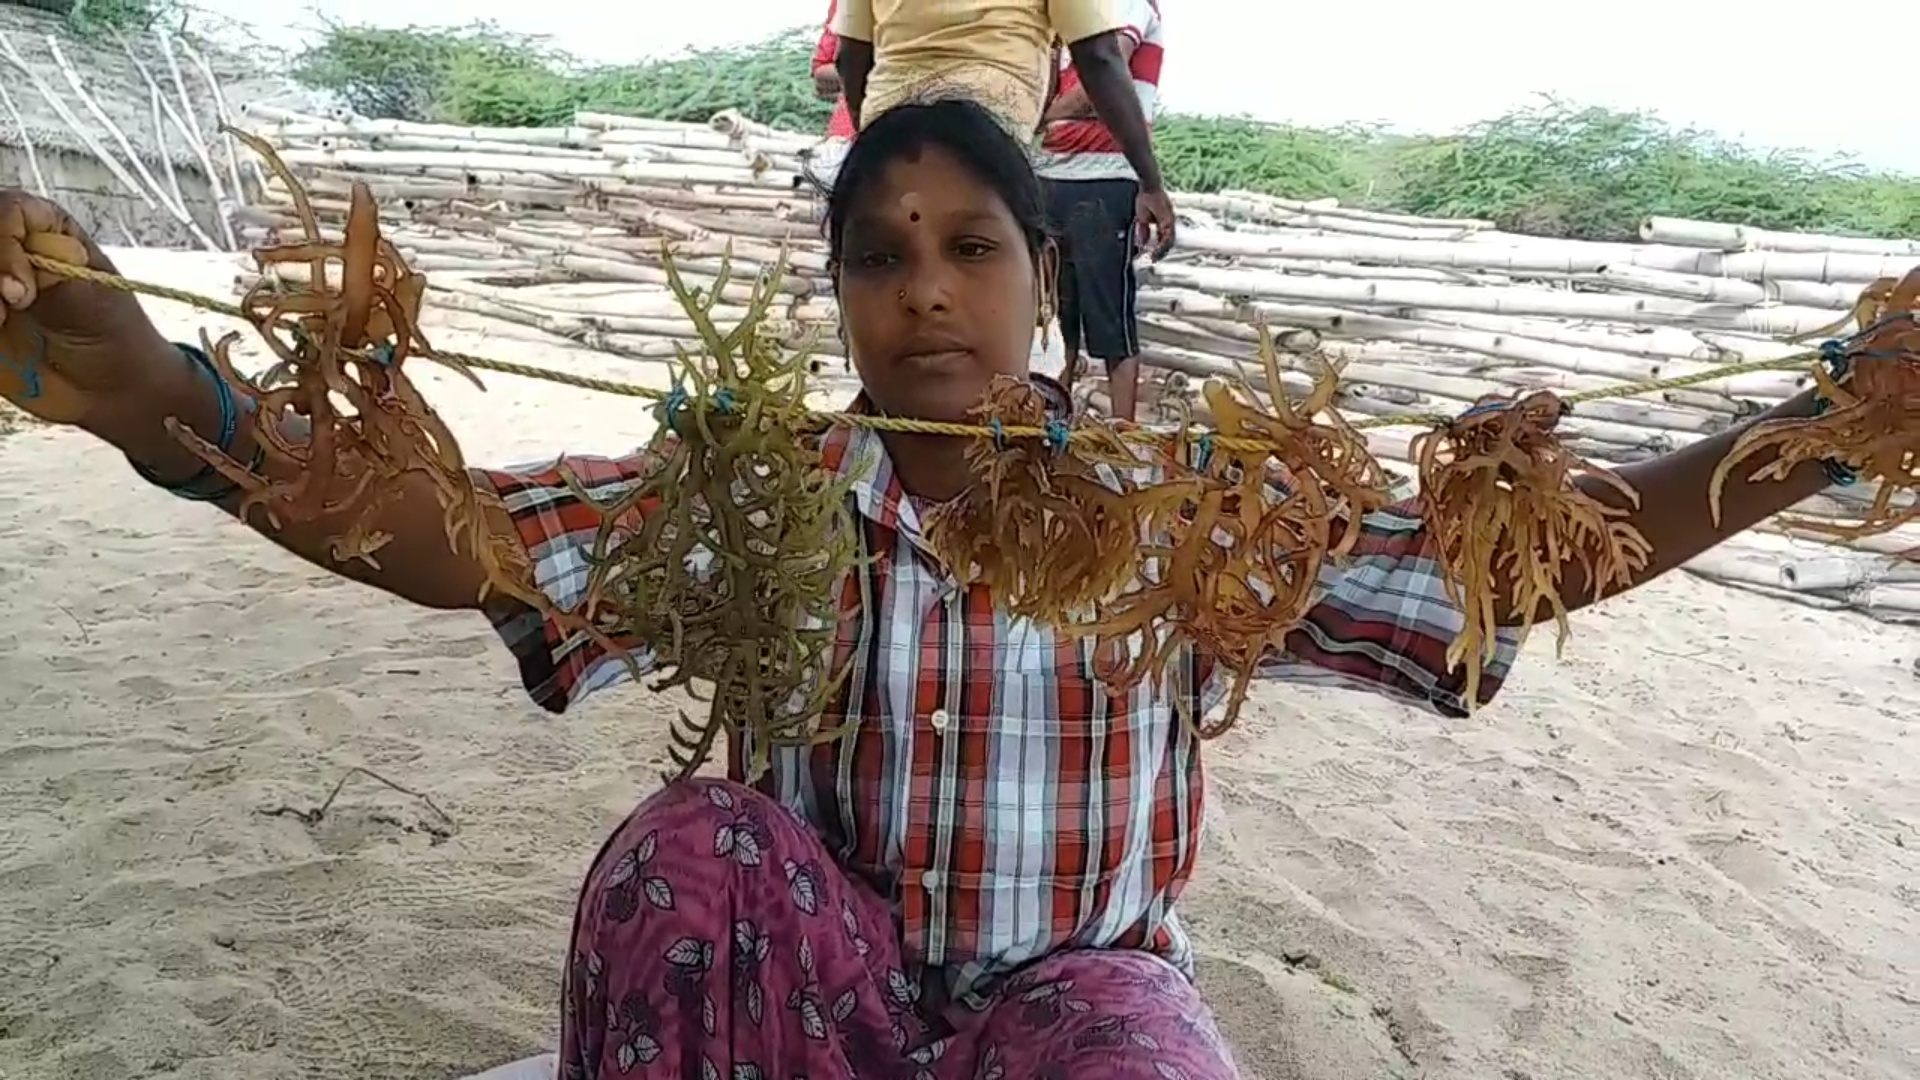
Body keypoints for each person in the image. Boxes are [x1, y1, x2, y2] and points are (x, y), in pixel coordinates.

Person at [0, 99, 1848, 1080]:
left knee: (1129, 1055)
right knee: (693, 848)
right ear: (839, 298)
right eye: (880, 258)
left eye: (971, 248)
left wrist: (1822, 428)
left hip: (1072, 1014)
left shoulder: (1184, 508)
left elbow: (1506, 554)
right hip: (820, 1001)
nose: (927, 292)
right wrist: (171, 399)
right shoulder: (765, 497)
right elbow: (465, 538)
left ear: (1045, 276)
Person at [829, 0, 1180, 259]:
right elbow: (1099, 57)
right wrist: (1150, 183)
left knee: (883, 270)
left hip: (889, 137)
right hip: (990, 142)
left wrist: (875, 147)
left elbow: (850, 57)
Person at [1036, 0, 1163, 420]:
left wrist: (1040, 116)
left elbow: (1103, 82)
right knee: (1057, 317)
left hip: (1106, 175)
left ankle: (1123, 438)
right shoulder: (1066, 13)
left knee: (1111, 320)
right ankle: (1056, 426)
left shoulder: (1127, 5)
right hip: (1051, 173)